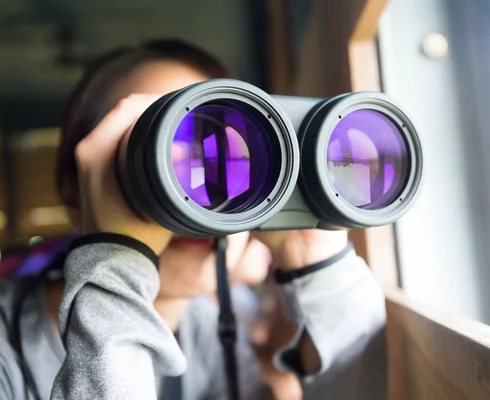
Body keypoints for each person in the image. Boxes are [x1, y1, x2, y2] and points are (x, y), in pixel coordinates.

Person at [0, 39, 387, 399]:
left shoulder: (207, 332)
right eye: (163, 150)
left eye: (225, 149)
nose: (201, 197)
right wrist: (115, 261)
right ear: (76, 189)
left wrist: (316, 261)